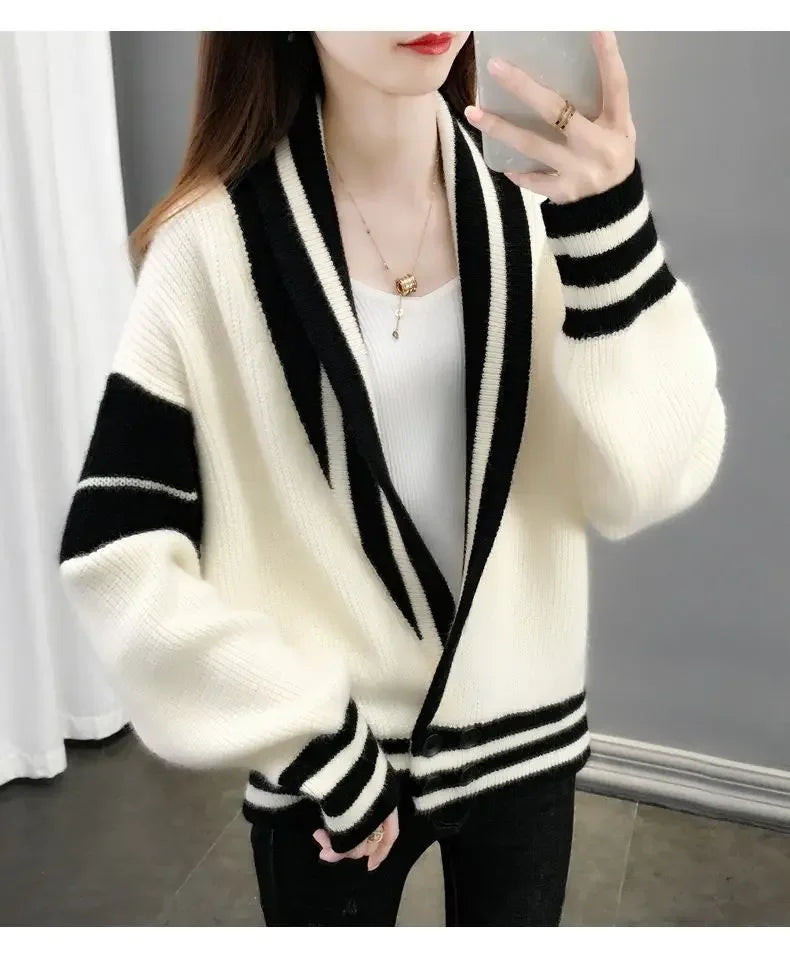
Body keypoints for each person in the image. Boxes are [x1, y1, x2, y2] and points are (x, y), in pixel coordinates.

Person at [59, 31, 726, 927]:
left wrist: (614, 234)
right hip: (327, 769)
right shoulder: (210, 248)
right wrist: (308, 732)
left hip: (523, 740)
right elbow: (114, 549)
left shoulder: (544, 216)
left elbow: (649, 481)